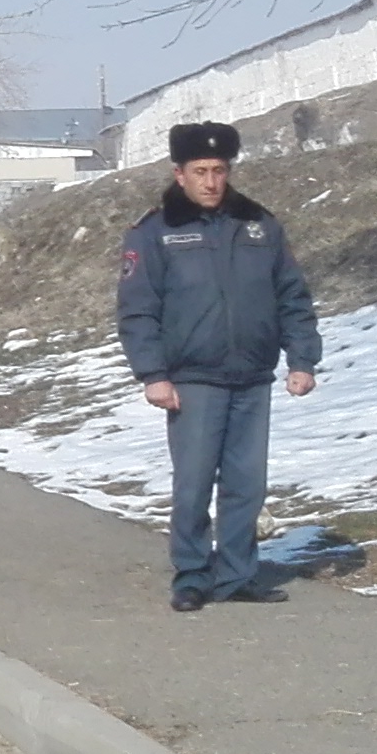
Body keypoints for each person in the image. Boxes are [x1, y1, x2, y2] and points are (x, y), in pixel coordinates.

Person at [115, 122, 323, 613]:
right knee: (193, 483)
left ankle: (237, 574)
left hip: (252, 375)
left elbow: (292, 296)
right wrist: (153, 374)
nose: (211, 181)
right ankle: (191, 574)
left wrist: (302, 358)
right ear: (179, 173)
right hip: (192, 379)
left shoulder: (260, 227)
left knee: (246, 483)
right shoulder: (155, 232)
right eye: (200, 171)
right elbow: (137, 308)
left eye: (219, 171)